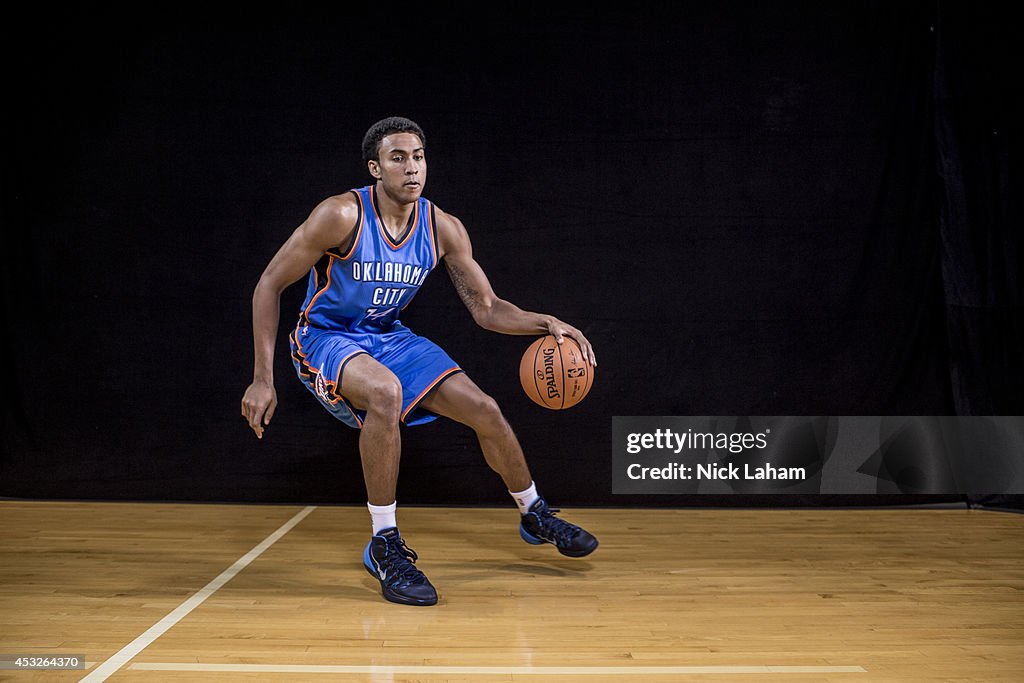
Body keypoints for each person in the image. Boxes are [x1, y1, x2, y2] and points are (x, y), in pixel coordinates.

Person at [241, 116, 598, 606]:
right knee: (385, 392)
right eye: (398, 158)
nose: (412, 168)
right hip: (326, 336)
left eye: (418, 157)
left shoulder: (442, 227)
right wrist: (263, 379)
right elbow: (268, 284)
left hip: (388, 336)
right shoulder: (340, 216)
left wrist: (546, 322)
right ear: (376, 168)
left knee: (485, 409)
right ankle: (384, 543)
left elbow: (487, 308)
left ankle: (533, 513)